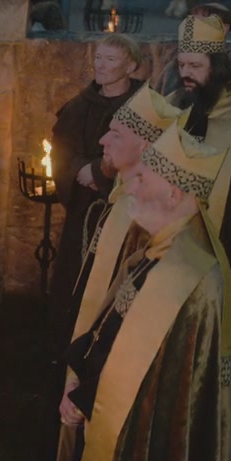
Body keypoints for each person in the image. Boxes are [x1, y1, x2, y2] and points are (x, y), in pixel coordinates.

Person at [41, 123, 231, 461]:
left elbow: (165, 393)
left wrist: (91, 400)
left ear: (175, 193)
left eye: (143, 178)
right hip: (105, 423)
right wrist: (81, 386)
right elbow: (113, 329)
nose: (130, 184)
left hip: (139, 456)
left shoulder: (193, 282)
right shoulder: (156, 250)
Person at [21, 83, 183, 461]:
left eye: (117, 132)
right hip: (78, 346)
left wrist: (86, 375)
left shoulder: (146, 218)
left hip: (102, 369)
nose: (103, 140)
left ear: (147, 147)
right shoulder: (120, 198)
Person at [47, 34, 145, 338]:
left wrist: (101, 174)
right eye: (98, 57)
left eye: (110, 59)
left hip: (125, 213)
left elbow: (148, 156)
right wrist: (81, 169)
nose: (100, 65)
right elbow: (60, 150)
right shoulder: (78, 106)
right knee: (74, 277)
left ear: (130, 66)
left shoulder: (144, 108)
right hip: (83, 210)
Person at [166, 14, 231, 278]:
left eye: (195, 65)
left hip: (212, 241)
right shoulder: (171, 104)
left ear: (217, 67)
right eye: (181, 64)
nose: (185, 73)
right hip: (166, 233)